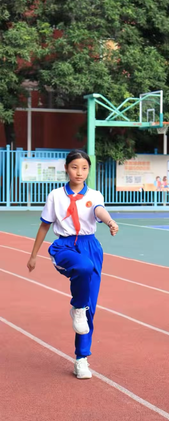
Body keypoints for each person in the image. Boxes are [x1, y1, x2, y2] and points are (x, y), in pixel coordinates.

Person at [27, 149, 119, 379]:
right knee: (83, 267)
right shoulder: (56, 196)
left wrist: (109, 221)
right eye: (75, 167)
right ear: (67, 169)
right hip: (65, 246)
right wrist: (33, 254)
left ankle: (81, 359)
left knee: (90, 308)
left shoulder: (95, 194)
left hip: (91, 246)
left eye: (85, 168)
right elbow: (45, 226)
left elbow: (99, 210)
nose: (80, 172)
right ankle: (77, 306)